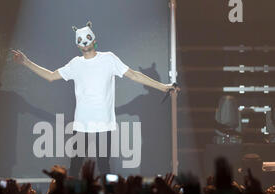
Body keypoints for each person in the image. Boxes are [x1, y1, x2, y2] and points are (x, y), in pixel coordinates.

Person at [11, 20, 179, 177]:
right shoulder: (75, 64)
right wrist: (26, 62)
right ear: (77, 44)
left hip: (103, 124)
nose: (85, 42)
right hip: (82, 124)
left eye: (88, 38)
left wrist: (163, 86)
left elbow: (133, 75)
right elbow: (50, 76)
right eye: (81, 40)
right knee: (75, 166)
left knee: (104, 166)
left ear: (94, 39)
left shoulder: (109, 59)